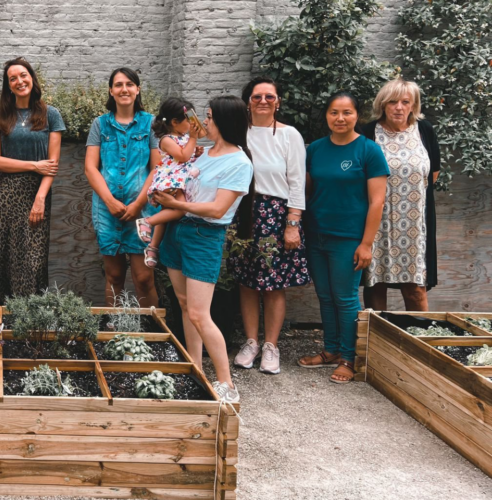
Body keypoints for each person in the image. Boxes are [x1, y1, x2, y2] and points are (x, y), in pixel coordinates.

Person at [150, 96, 254, 403]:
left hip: (204, 237)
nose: (202, 122)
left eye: (208, 117)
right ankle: (193, 368)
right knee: (183, 304)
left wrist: (176, 204)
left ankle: (227, 385)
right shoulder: (203, 154)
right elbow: (180, 181)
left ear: (224, 122)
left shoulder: (239, 162)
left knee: (199, 313)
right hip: (178, 231)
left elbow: (218, 209)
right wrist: (164, 196)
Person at [298, 92, 388, 384]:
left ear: (356, 116)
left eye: (346, 113)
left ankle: (350, 359)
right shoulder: (315, 150)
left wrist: (366, 244)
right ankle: (331, 350)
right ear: (326, 115)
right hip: (316, 234)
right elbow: (308, 191)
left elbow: (377, 202)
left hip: (349, 238)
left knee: (346, 298)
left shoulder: (369, 151)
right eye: (334, 112)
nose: (340, 118)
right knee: (325, 297)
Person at [230, 77, 310, 376]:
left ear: (278, 101)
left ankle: (271, 346)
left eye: (269, 96)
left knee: (274, 284)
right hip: (242, 213)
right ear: (247, 101)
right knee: (247, 281)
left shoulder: (289, 135)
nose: (263, 101)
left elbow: (297, 182)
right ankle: (251, 341)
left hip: (275, 215)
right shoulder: (238, 133)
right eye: (256, 97)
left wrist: (293, 224)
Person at [0, 57, 66, 303]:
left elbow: (52, 165)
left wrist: (40, 198)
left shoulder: (50, 114)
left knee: (32, 257)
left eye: (23, 75)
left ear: (32, 78)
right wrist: (34, 165)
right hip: (8, 192)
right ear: (8, 86)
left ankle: (31, 315)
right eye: (13, 78)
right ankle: (5, 317)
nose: (19, 81)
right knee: (6, 254)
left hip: (37, 192)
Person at [83, 68, 163, 307]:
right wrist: (109, 201)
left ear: (137, 89)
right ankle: (115, 333)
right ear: (111, 90)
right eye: (118, 84)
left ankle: (150, 334)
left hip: (143, 212)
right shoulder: (100, 125)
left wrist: (138, 203)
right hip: (107, 212)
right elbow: (90, 167)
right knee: (115, 275)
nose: (124, 89)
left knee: (144, 277)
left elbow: (157, 168)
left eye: (129, 84)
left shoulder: (151, 124)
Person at [361, 78, 440, 311]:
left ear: (414, 105)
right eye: (392, 101)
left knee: (415, 289)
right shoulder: (367, 133)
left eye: (406, 102)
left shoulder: (425, 130)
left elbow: (432, 175)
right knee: (375, 284)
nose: (399, 107)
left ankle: (420, 345)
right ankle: (378, 343)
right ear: (383, 104)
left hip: (414, 224)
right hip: (377, 221)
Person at [134, 98, 204, 269]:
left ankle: (152, 248)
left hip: (179, 178)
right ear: (174, 122)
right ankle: (147, 222)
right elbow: (182, 157)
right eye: (188, 119)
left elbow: (186, 158)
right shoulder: (166, 139)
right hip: (170, 180)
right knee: (180, 209)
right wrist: (193, 140)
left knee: (167, 214)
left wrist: (197, 153)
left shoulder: (183, 137)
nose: (190, 124)